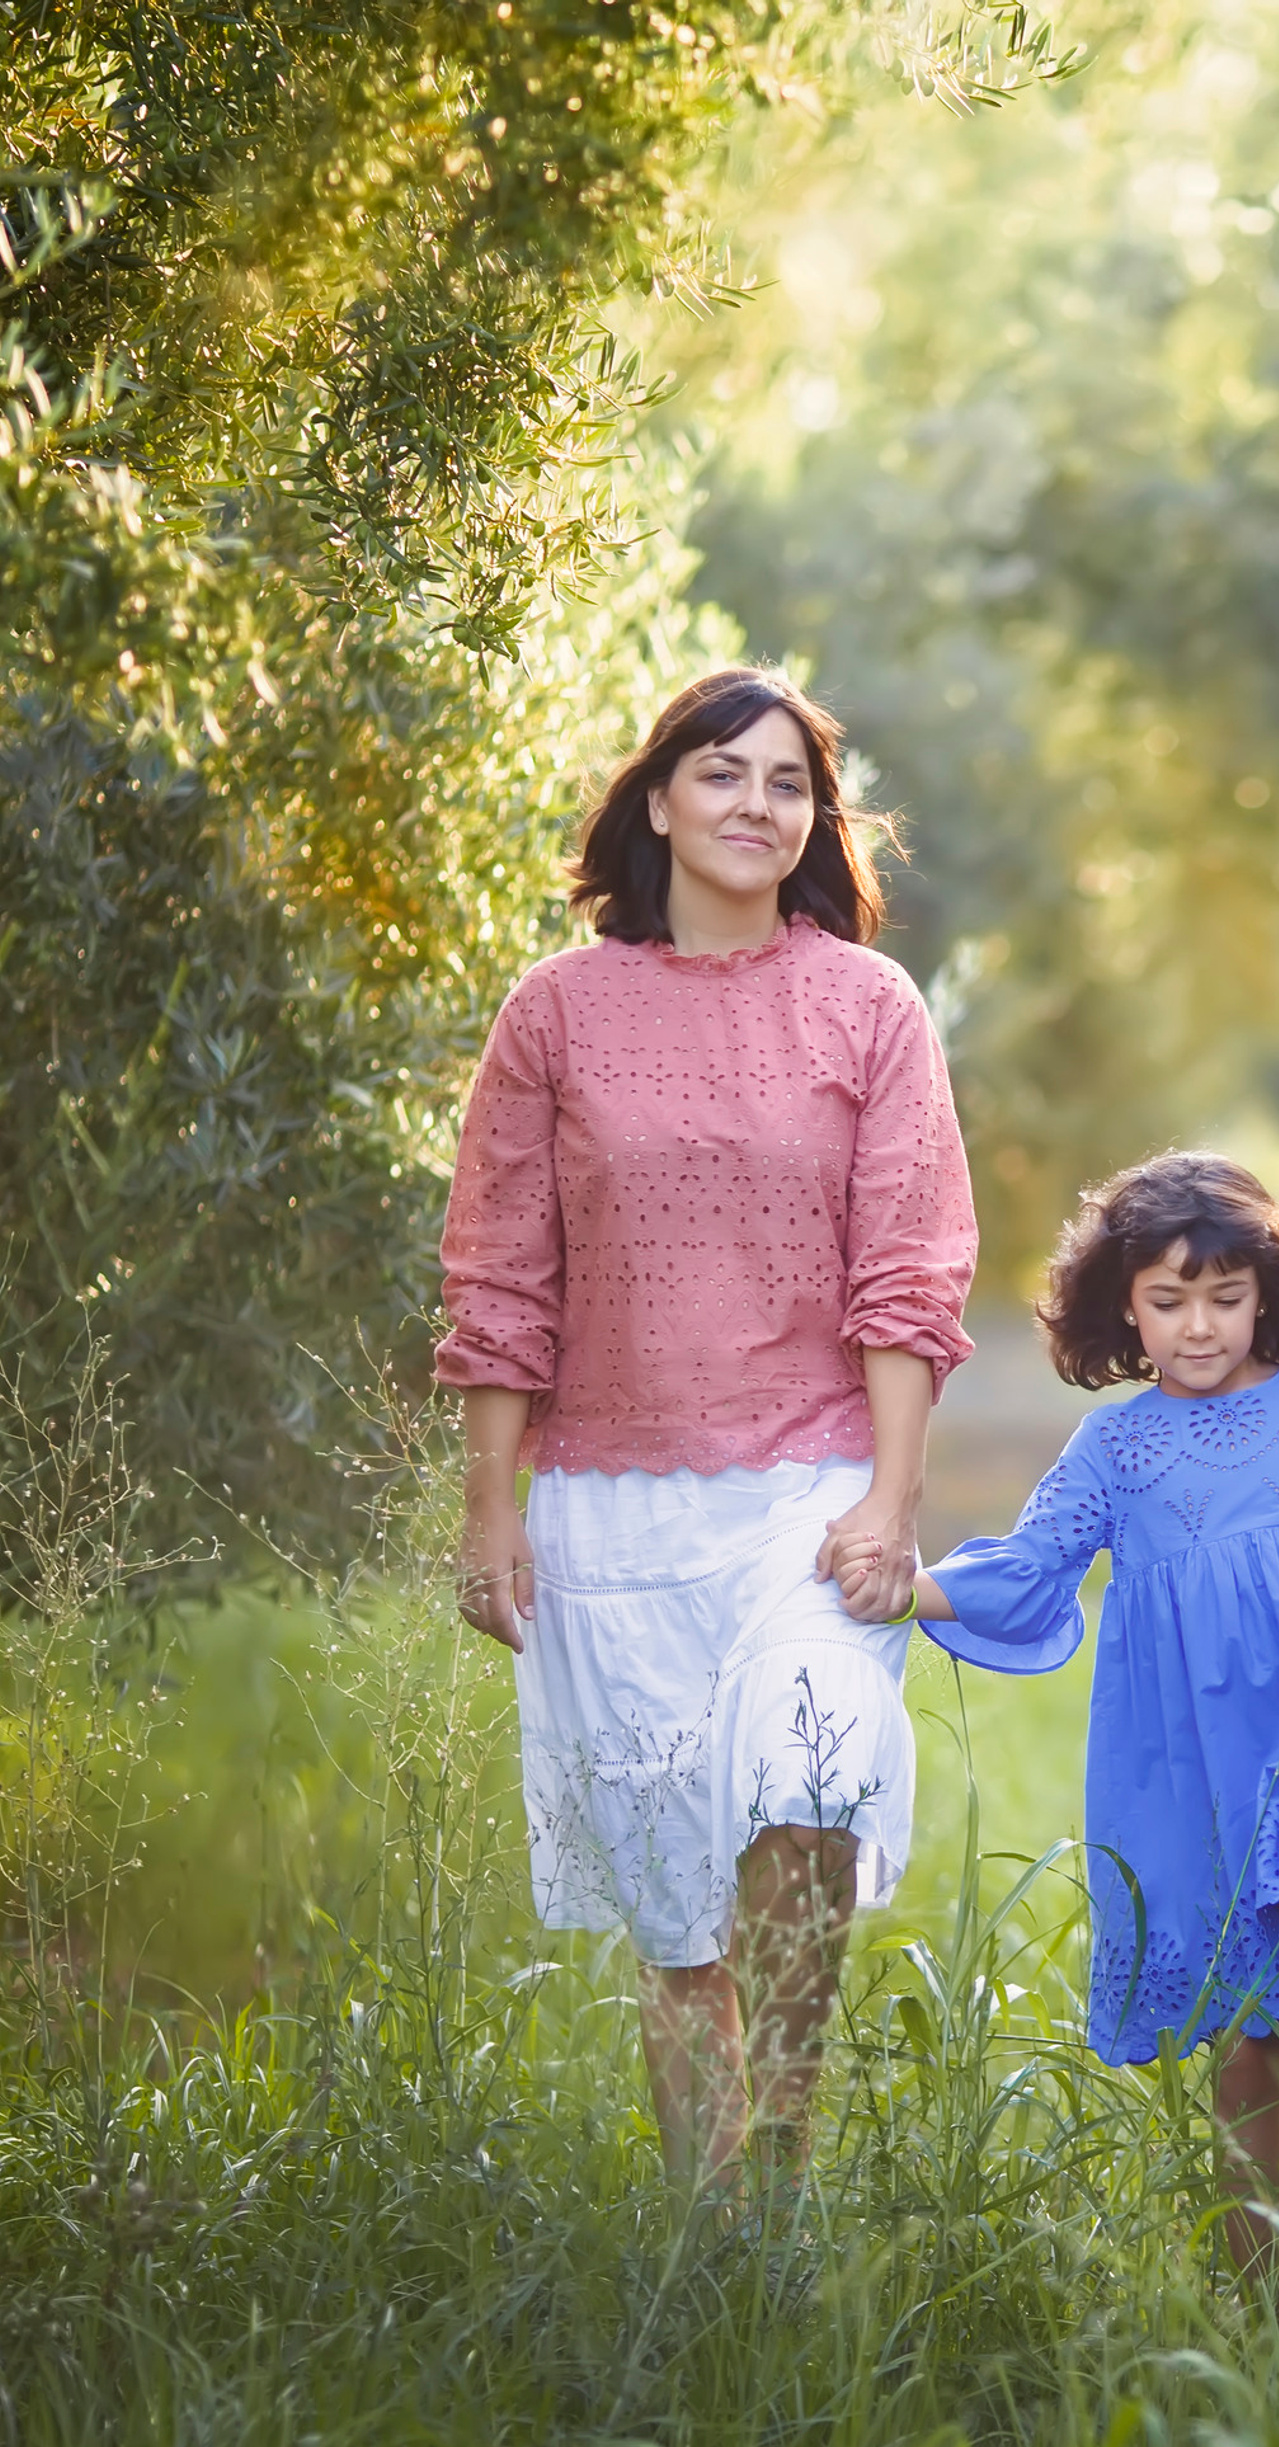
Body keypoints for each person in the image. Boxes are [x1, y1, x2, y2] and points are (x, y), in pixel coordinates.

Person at [440, 665, 977, 2197]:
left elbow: (909, 1264)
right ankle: (708, 2235)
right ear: (660, 799)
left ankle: (784, 2167)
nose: (759, 806)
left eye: (789, 782)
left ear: (819, 818)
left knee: (810, 1800)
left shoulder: (867, 1004)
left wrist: (891, 1498)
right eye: (725, 775)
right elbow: (499, 1274)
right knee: (681, 1913)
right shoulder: (555, 1013)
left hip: (810, 1491)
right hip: (609, 1507)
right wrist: (491, 1511)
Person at [828, 1154, 1279, 2263]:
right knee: (1241, 2043)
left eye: (1226, 1297)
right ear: (1125, 1308)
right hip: (1199, 1774)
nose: (1200, 1327)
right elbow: (1037, 1560)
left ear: (1267, 1293)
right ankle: (1264, 2304)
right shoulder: (1117, 1445)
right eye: (1169, 1299)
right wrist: (912, 1587)